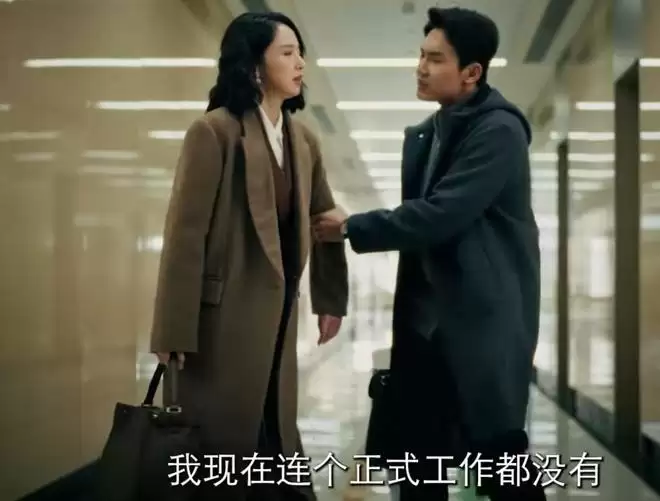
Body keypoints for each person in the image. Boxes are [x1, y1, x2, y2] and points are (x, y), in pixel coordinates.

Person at [313, 6, 543, 501]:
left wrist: (352, 226)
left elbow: (442, 213)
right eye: (421, 55)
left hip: (480, 326)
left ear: (472, 72)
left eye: (435, 59)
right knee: (418, 464)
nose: (420, 67)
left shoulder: (498, 132)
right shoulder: (429, 133)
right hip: (425, 330)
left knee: (501, 462)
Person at [149, 11, 349, 501]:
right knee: (222, 446)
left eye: (301, 53)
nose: (300, 63)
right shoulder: (214, 132)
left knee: (274, 435)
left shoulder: (303, 140)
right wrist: (171, 329)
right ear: (255, 66)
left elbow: (325, 218)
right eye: (288, 53)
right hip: (219, 323)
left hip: (280, 320)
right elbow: (184, 235)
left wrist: (330, 299)